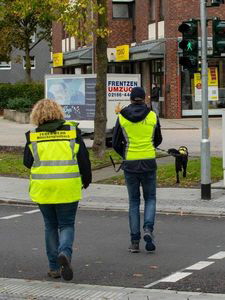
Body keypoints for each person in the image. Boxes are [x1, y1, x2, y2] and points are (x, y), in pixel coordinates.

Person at [23, 99, 92, 281]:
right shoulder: (71, 132)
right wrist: (87, 180)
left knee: (50, 226)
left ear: (37, 115)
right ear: (59, 113)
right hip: (68, 187)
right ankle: (65, 253)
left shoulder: (33, 136)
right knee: (66, 224)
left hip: (43, 188)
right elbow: (84, 159)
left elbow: (27, 162)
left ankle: (54, 267)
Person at [112, 87, 162, 253]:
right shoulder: (153, 115)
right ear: (143, 98)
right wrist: (149, 147)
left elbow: (115, 142)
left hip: (130, 163)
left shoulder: (122, 117)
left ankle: (134, 242)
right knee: (150, 198)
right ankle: (148, 229)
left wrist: (125, 154)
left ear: (131, 99)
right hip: (148, 162)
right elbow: (158, 139)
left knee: (134, 202)